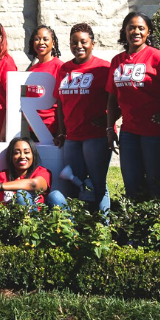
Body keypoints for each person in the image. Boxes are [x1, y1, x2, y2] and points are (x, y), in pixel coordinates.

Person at [105, 12, 160, 201]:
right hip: (129, 132)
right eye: (131, 27)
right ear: (125, 31)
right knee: (131, 185)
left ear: (148, 32)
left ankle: (159, 226)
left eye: (141, 28)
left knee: (156, 184)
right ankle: (135, 227)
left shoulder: (156, 56)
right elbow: (112, 98)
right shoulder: (117, 61)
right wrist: (111, 128)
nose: (136, 31)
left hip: (156, 132)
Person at [53, 23, 112, 214]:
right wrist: (62, 131)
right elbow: (60, 103)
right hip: (72, 137)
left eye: (83, 42)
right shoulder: (64, 69)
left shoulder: (104, 68)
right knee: (75, 181)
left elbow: (118, 99)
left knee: (97, 182)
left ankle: (103, 227)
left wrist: (110, 121)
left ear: (93, 43)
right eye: (74, 42)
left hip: (95, 136)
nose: (78, 45)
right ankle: (80, 225)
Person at [0, 137, 63, 208]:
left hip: (38, 222)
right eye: (16, 153)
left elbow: (33, 184)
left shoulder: (42, 172)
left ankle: (69, 226)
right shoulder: (1, 177)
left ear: (33, 155)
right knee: (21, 196)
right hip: (13, 222)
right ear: (11, 156)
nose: (22, 156)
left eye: (26, 152)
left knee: (56, 195)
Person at [25, 25, 63, 137]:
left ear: (53, 43)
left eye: (45, 39)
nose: (41, 42)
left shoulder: (60, 67)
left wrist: (61, 131)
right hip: (33, 128)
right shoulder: (31, 69)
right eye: (37, 39)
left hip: (53, 129)